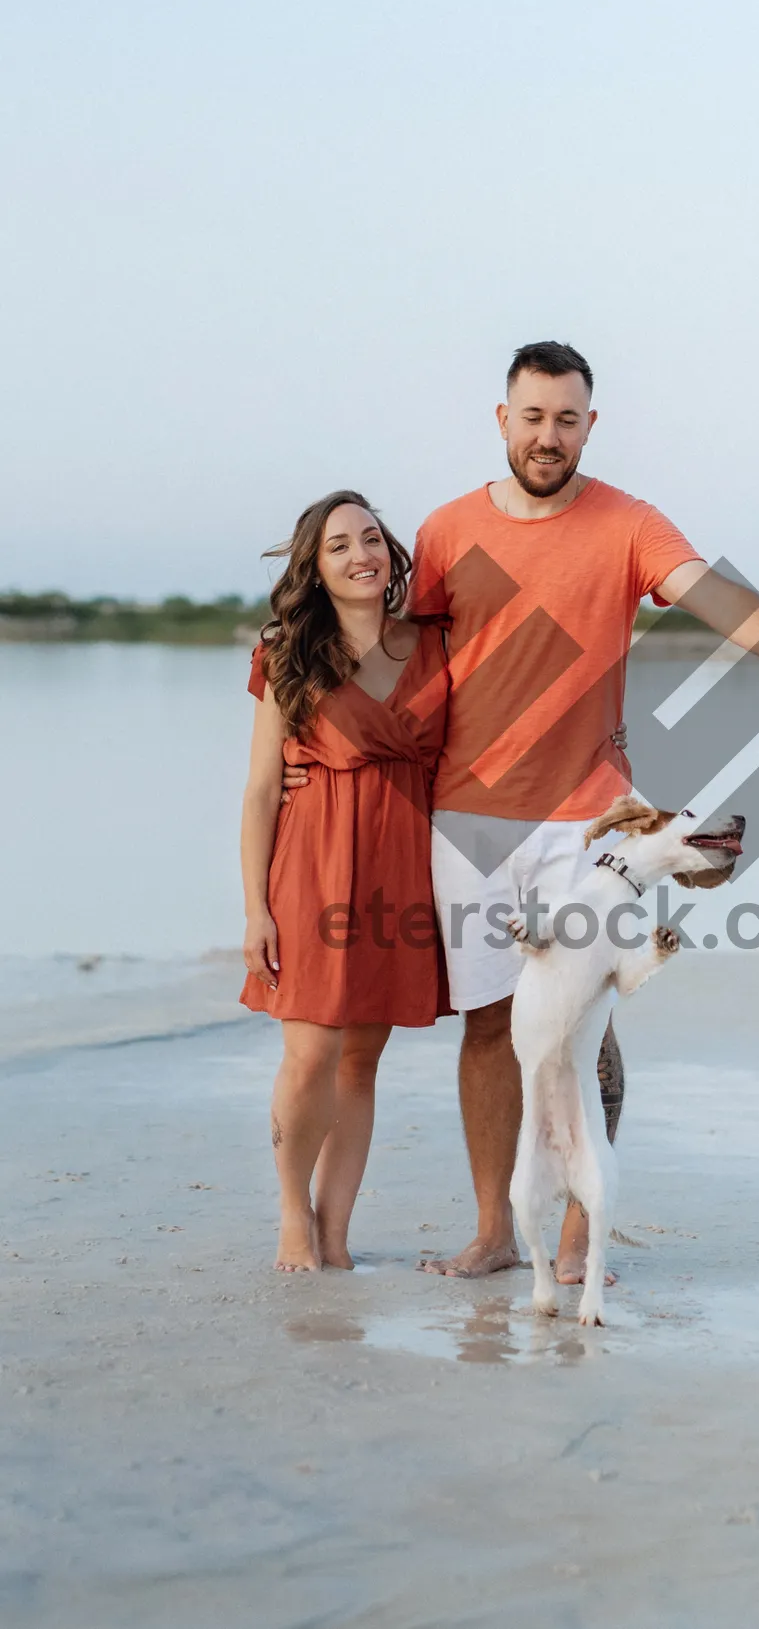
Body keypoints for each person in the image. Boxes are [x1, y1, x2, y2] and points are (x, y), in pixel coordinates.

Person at [284, 342, 759, 1282]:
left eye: (567, 418)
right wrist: (301, 756)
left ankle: (577, 1229)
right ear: (502, 421)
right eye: (532, 417)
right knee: (489, 1026)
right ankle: (494, 1228)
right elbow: (374, 642)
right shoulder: (446, 533)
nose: (548, 435)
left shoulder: (627, 524)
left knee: (588, 1027)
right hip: (468, 818)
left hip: (591, 823)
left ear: (589, 425)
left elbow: (719, 599)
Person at [240, 489, 448, 1272]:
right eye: (339, 545)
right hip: (313, 863)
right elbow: (261, 790)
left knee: (362, 1058)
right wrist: (255, 907)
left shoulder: (438, 647)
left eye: (372, 538)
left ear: (393, 554)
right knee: (310, 1054)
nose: (361, 554)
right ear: (316, 568)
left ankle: (336, 1227)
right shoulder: (287, 654)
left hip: (402, 866)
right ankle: (294, 1210)